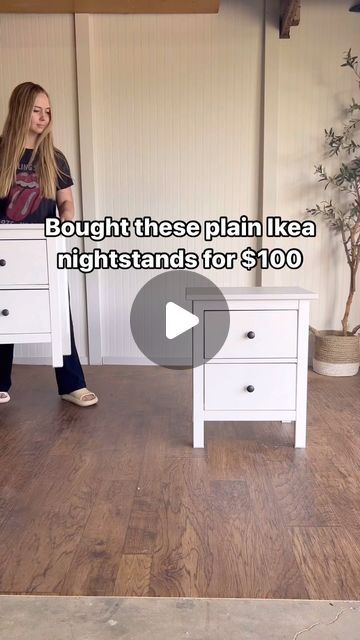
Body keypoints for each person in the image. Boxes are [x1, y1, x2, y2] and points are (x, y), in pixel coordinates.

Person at [0, 82, 98, 407]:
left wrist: (64, 221)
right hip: (5, 251)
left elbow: (66, 203)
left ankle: (71, 384)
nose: (43, 118)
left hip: (44, 247)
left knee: (59, 312)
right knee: (4, 312)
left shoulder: (54, 158)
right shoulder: (1, 153)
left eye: (48, 111)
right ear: (20, 111)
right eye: (36, 110)